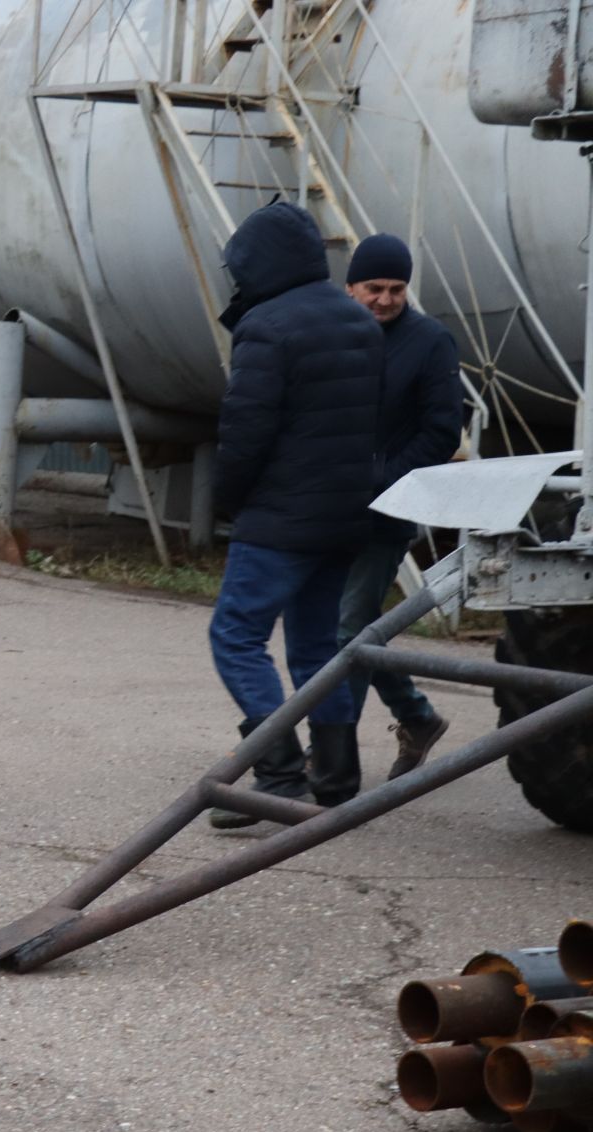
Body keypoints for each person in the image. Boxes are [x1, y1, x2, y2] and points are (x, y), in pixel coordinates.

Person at [205, 201, 383, 829]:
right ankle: (334, 779)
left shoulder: (267, 326)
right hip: (343, 516)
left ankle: (277, 772)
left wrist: (227, 499)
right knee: (317, 648)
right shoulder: (358, 321)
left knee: (236, 636)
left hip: (281, 517)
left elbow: (245, 429)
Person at [335, 234, 464, 786]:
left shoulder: (431, 342)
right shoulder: (334, 333)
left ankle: (330, 758)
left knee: (348, 633)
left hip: (386, 512)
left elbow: (442, 430)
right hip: (326, 508)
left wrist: (381, 482)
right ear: (351, 287)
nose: (386, 299)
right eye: (374, 288)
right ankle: (416, 716)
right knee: (352, 631)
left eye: (396, 288)